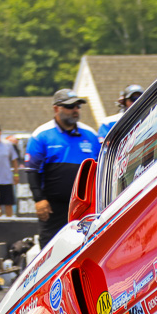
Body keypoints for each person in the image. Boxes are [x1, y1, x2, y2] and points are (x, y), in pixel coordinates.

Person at [25, 89, 100, 246]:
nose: (75, 110)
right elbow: (32, 171)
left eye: (78, 106)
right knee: (50, 247)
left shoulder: (90, 135)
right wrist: (39, 199)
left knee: (86, 247)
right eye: (70, 106)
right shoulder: (41, 135)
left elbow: (101, 169)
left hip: (86, 206)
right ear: (56, 109)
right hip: (53, 207)